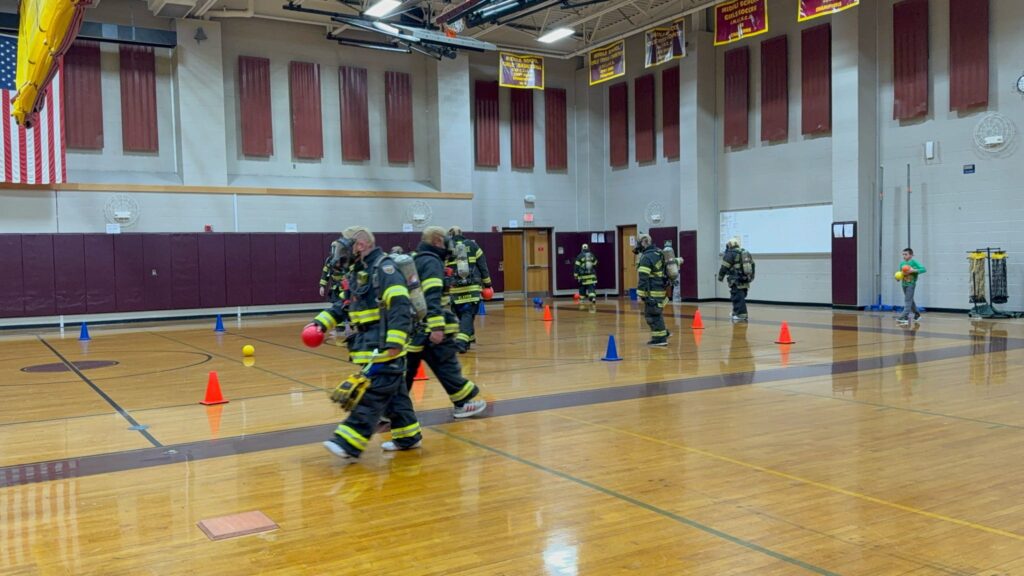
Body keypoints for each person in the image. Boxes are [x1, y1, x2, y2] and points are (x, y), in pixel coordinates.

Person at [307, 226, 423, 464]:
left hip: (384, 347)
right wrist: (320, 323)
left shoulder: (385, 269)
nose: (341, 253)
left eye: (345, 246)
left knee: (373, 395)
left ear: (360, 245)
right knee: (396, 396)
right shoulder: (357, 272)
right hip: (367, 345)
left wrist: (395, 342)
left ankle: (348, 443)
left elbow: (400, 305)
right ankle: (408, 436)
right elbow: (343, 306)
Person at [401, 226, 487, 418]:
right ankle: (462, 404)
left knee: (409, 371)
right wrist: (437, 326)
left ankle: (389, 411)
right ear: (438, 241)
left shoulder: (417, 258)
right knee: (446, 366)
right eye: (446, 240)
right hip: (430, 328)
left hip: (415, 328)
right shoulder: (432, 262)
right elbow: (432, 296)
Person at [445, 226, 492, 353]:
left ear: (450, 235)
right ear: (462, 234)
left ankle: (467, 340)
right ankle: (463, 342)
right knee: (468, 315)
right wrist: (488, 284)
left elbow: (443, 269)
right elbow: (482, 265)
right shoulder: (473, 245)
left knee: (462, 315)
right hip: (472, 288)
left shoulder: (447, 248)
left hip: (455, 289)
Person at [635, 234, 669, 346]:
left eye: (638, 243)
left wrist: (640, 293)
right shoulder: (658, 253)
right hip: (661, 290)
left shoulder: (646, 257)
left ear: (643, 243)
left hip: (652, 292)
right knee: (656, 313)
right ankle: (663, 333)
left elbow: (643, 277)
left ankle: (660, 339)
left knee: (652, 315)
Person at [717, 237, 755, 322]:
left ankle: (741, 314)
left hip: (735, 280)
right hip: (745, 280)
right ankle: (736, 312)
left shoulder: (731, 253)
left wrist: (720, 277)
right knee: (739, 296)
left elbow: (724, 267)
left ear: (730, 245)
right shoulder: (746, 252)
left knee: (737, 297)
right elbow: (753, 265)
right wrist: (751, 277)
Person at [898, 247, 926, 324]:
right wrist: (898, 278)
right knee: (910, 300)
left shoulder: (914, 262)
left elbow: (923, 269)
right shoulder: (902, 264)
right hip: (904, 284)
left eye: (906, 254)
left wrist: (913, 270)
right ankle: (917, 315)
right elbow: (900, 274)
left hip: (911, 284)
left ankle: (904, 316)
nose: (904, 256)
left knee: (907, 300)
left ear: (911, 255)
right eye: (903, 254)